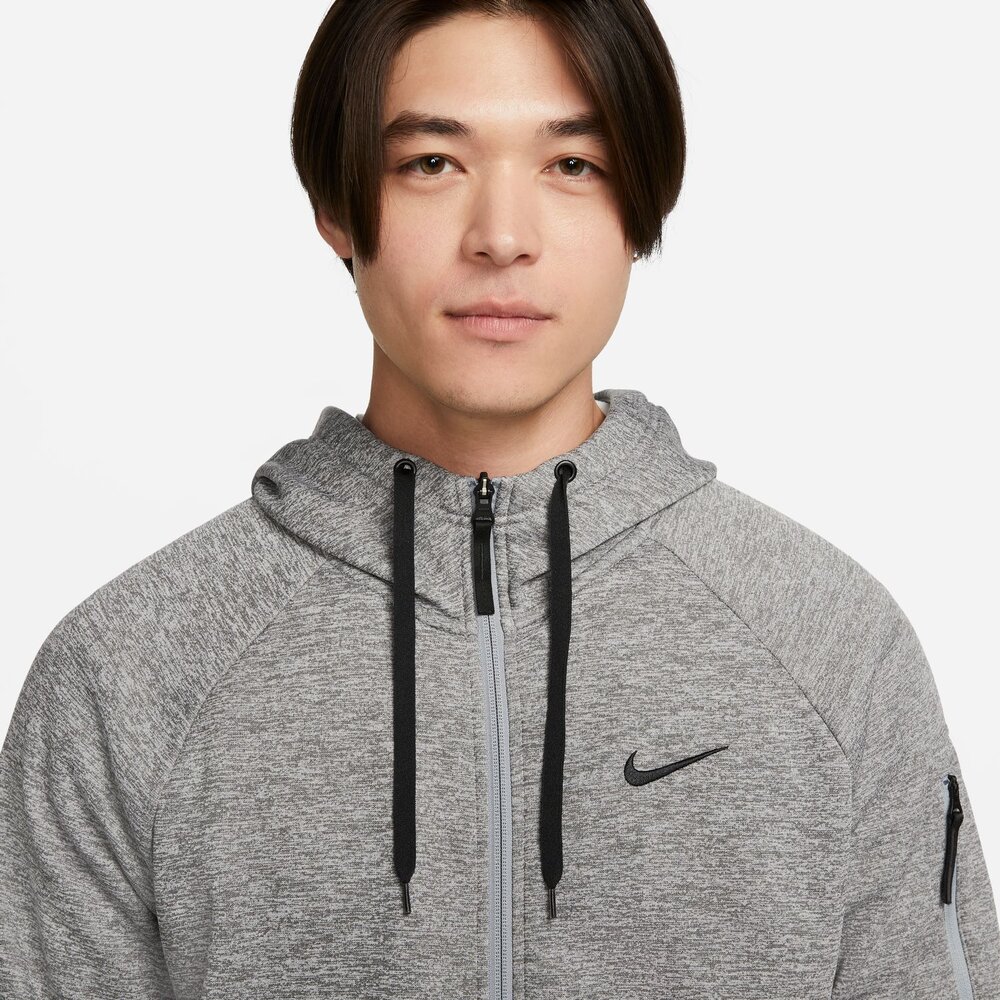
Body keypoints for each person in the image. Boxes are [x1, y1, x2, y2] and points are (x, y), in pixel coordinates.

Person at [2, 1, 998, 997]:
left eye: (573, 164)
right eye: (432, 162)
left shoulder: (830, 644)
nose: (503, 237)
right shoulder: (128, 673)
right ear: (336, 205)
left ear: (640, 205)